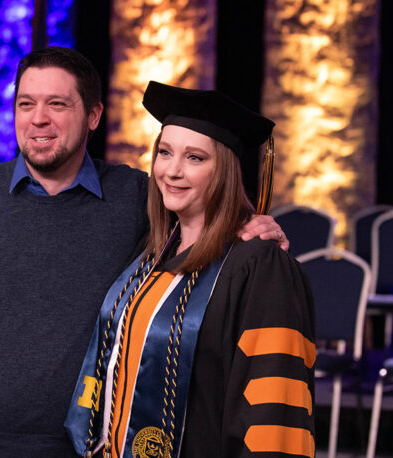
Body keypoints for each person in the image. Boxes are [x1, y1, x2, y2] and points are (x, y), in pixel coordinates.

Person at [0, 47, 289, 458]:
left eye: (57, 104)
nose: (38, 118)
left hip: (82, 449)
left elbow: (203, 212)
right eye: (26, 104)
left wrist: (250, 224)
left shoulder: (136, 198)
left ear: (94, 116)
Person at [65, 82, 315, 458]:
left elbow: (275, 409)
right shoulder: (149, 255)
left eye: (195, 158)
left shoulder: (260, 267)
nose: (173, 171)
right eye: (164, 153)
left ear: (225, 171)